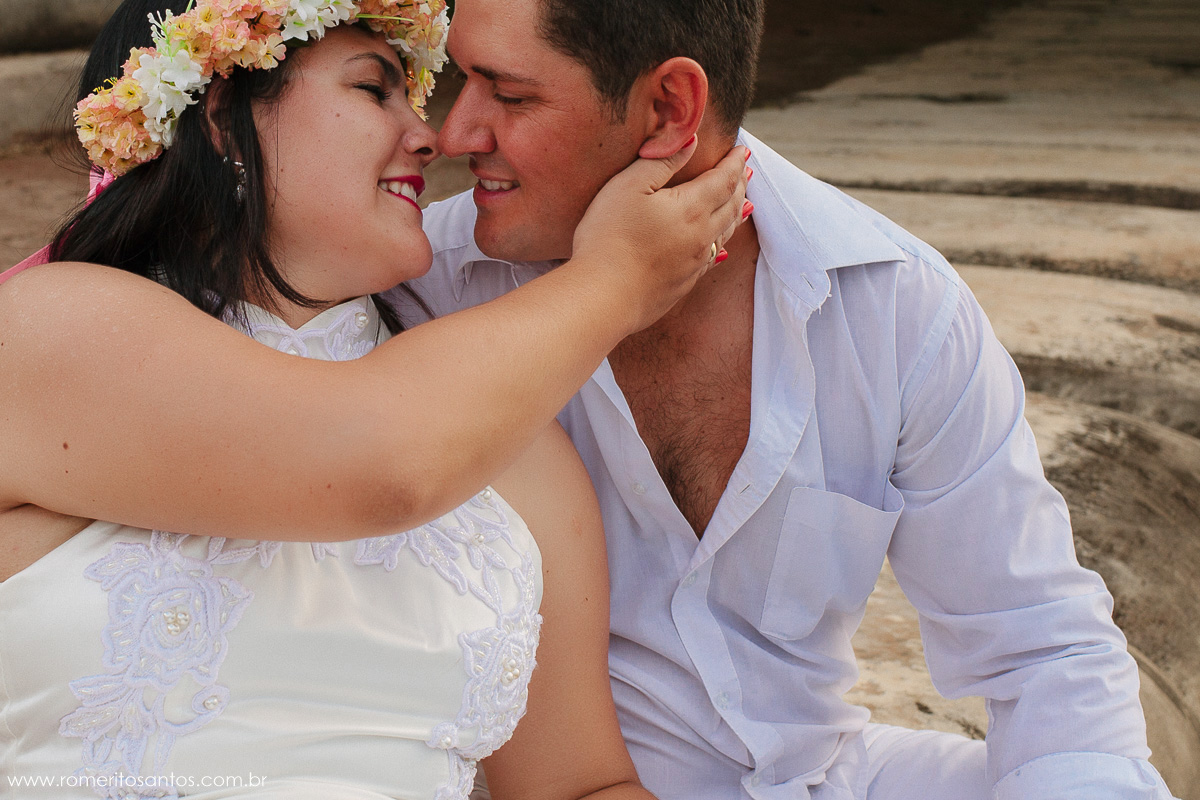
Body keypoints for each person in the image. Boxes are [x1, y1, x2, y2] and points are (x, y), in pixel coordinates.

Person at [386, 0, 1182, 798]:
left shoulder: (894, 306)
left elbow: (1041, 645)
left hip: (817, 778)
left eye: (510, 95)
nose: (455, 134)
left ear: (669, 109)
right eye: (462, 82)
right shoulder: (423, 295)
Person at [0, 0, 752, 797]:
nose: (430, 136)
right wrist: (615, 279)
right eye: (373, 89)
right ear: (223, 119)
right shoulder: (49, 328)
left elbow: (579, 785)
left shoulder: (511, 445)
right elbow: (380, 464)